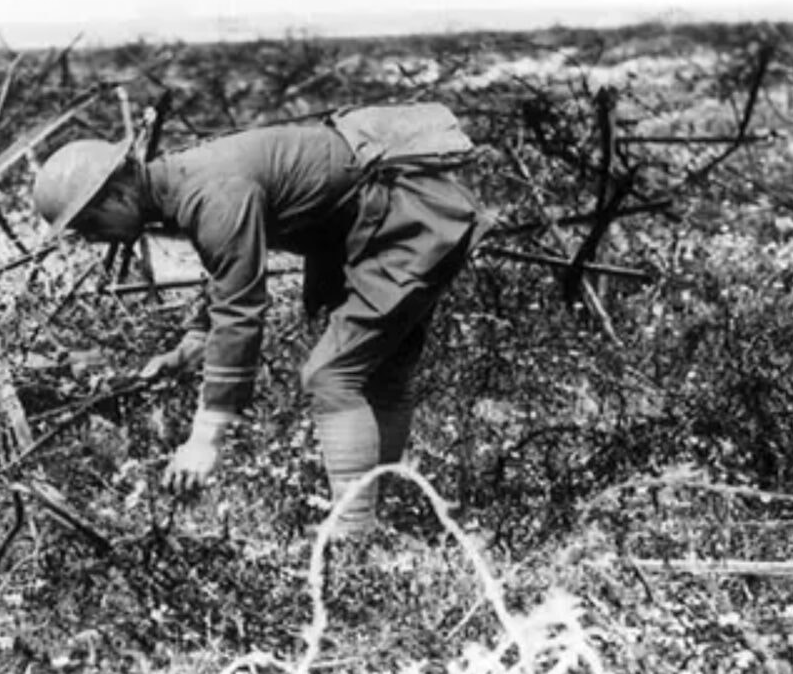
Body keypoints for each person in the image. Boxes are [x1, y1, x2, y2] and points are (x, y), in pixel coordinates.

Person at [32, 103, 492, 534]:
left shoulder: (212, 193)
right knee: (379, 375)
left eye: (91, 225)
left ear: (116, 192)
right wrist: (192, 343)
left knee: (331, 376)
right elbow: (227, 266)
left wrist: (205, 439)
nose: (95, 239)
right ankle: (377, 521)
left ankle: (355, 542)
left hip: (406, 219)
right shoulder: (180, 182)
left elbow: (241, 310)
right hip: (382, 223)